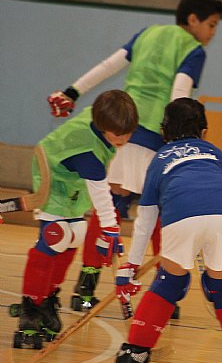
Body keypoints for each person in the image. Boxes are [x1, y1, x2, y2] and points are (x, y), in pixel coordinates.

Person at [47, 0, 222, 312]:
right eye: (211, 25)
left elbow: (109, 65)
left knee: (109, 210)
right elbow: (180, 91)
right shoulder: (193, 50)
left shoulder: (147, 34)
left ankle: (85, 286)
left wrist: (72, 91)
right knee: (159, 213)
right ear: (193, 20)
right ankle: (165, 290)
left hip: (121, 128)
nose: (213, 33)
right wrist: (178, 139)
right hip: (157, 134)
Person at [107, 98, 222, 363]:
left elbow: (146, 219)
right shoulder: (216, 153)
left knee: (170, 284)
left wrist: (129, 266)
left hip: (183, 213)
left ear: (163, 131)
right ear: (204, 131)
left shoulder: (160, 157)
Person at [13, 90, 137, 349]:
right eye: (119, 135)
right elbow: (100, 191)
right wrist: (110, 227)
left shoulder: (102, 124)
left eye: (129, 133)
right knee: (54, 238)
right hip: (54, 180)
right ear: (104, 127)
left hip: (72, 184)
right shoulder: (87, 153)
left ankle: (48, 298)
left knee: (75, 236)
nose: (124, 139)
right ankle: (30, 308)